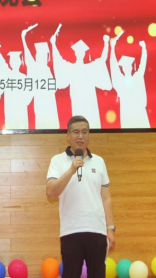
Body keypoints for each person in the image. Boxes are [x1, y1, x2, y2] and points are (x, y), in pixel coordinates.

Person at [46, 115, 115, 278]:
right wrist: (71, 170)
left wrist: (110, 228)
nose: (81, 136)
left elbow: (106, 198)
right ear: (68, 135)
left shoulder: (99, 161)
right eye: (76, 132)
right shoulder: (57, 161)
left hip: (97, 230)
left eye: (85, 132)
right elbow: (51, 192)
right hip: (71, 230)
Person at [110, 32, 150, 128]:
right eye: (125, 67)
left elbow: (143, 64)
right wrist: (112, 48)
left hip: (139, 112)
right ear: (122, 69)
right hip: (127, 113)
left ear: (132, 68)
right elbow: (114, 65)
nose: (127, 68)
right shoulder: (120, 81)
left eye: (128, 66)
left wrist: (144, 48)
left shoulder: (137, 77)